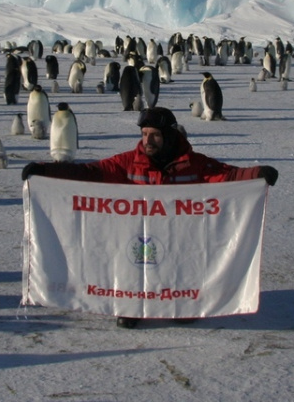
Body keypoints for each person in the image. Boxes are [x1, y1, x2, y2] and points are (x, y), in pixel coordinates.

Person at [22, 106, 278, 328]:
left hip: (179, 235)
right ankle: (130, 308)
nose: (148, 141)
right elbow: (91, 172)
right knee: (133, 267)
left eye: (155, 135)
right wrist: (46, 170)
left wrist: (257, 174)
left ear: (169, 135)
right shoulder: (130, 162)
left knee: (178, 267)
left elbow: (227, 176)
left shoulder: (193, 164)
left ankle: (181, 304)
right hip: (137, 233)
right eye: (144, 135)